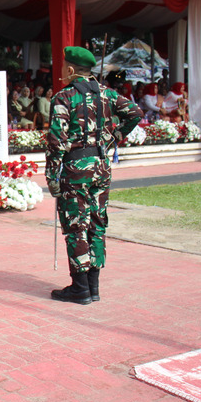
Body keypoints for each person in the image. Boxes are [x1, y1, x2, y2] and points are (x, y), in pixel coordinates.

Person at [45, 46, 143, 305]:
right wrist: (115, 137)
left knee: (76, 226)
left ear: (70, 69)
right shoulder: (107, 94)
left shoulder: (64, 97)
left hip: (76, 169)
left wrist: (52, 176)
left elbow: (56, 140)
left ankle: (80, 288)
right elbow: (135, 113)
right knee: (97, 224)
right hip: (101, 166)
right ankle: (93, 287)